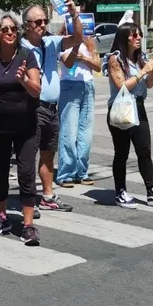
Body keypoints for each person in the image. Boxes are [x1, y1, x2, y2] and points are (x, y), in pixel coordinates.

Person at [0, 12, 42, 244]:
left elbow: (36, 90)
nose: (11, 33)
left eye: (13, 29)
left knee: (25, 173)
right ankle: (2, 216)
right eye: (5, 30)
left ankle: (28, 225)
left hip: (25, 127)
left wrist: (24, 81)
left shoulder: (27, 55)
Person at [19, 0, 84, 212]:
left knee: (48, 154)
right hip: (31, 107)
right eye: (37, 22)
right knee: (27, 157)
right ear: (27, 24)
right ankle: (28, 200)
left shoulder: (50, 43)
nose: (42, 25)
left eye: (45, 21)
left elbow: (77, 38)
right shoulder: (21, 48)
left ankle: (47, 196)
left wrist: (74, 15)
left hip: (52, 109)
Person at [105, 22, 153, 209]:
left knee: (144, 151)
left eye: (140, 35)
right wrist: (143, 71)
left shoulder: (140, 57)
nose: (138, 38)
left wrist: (151, 71)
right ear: (125, 38)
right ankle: (120, 191)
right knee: (122, 153)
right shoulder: (115, 60)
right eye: (134, 35)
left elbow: (149, 85)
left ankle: (152, 191)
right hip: (122, 108)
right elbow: (122, 87)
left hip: (139, 107)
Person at [56, 27, 101, 188]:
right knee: (69, 132)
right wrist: (76, 48)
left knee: (86, 133)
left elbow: (98, 66)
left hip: (88, 86)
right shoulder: (63, 41)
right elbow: (67, 61)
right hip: (69, 86)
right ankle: (66, 173)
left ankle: (82, 172)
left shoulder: (89, 43)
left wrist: (84, 58)